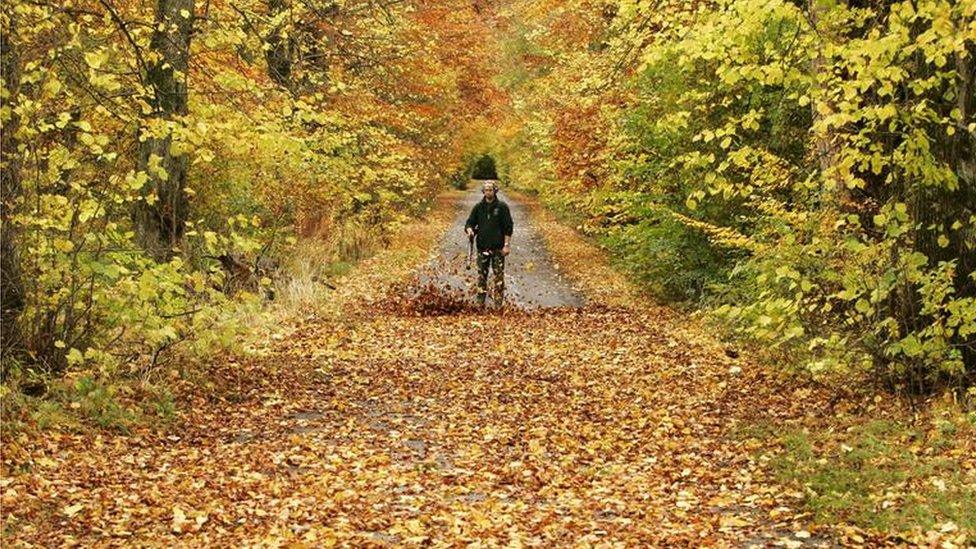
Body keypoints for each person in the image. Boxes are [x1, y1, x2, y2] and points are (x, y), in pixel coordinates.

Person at [465, 181, 513, 307]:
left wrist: (506, 245)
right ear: (483, 191)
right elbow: (469, 223)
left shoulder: (502, 207)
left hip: (498, 249)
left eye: (490, 190)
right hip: (482, 248)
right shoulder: (478, 207)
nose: (488, 192)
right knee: (481, 277)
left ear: (495, 191)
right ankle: (480, 303)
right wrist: (469, 229)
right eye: (486, 190)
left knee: (498, 277)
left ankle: (498, 304)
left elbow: (508, 227)